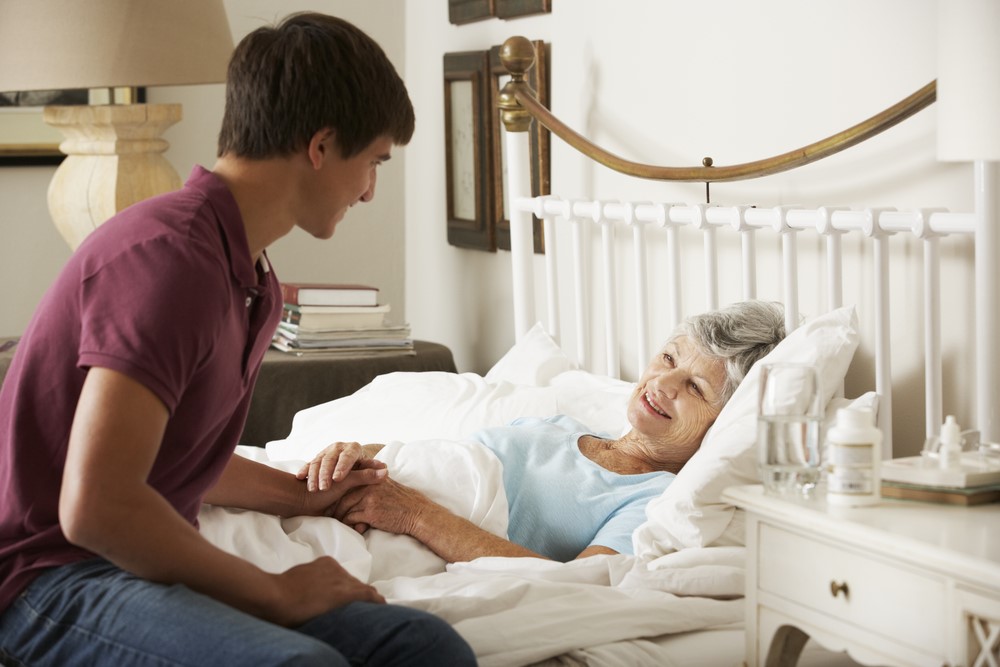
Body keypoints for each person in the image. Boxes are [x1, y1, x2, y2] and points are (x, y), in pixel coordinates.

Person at [0, 12, 476, 667]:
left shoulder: (251, 276)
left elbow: (175, 455)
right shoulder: (169, 261)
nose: (369, 191)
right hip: (49, 576)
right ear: (320, 145)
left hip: (133, 565)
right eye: (373, 162)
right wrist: (275, 591)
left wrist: (304, 494)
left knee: (422, 647)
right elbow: (97, 506)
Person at [300, 300, 786, 563]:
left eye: (695, 387)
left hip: (398, 535)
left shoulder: (653, 502)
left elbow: (571, 586)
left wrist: (414, 516)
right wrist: (356, 452)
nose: (662, 384)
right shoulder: (556, 426)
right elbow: (445, 463)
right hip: (367, 492)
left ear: (726, 423)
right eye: (668, 358)